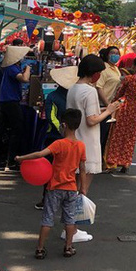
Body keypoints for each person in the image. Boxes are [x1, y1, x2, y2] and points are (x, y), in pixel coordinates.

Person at [14, 109, 86, 260]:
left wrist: (22, 158)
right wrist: (83, 188)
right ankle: (68, 247)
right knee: (70, 219)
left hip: (54, 187)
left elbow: (40, 154)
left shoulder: (59, 144)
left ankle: (40, 249)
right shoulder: (81, 146)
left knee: (48, 218)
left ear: (64, 125)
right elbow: (83, 169)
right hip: (71, 188)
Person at [67, 54, 120, 196]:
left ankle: (71, 210)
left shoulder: (73, 88)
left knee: (74, 182)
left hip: (74, 137)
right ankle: (77, 212)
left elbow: (81, 112)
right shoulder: (89, 91)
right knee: (82, 187)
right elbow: (91, 120)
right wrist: (108, 111)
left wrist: (102, 110)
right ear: (95, 73)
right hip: (87, 140)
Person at [34, 66, 77, 211]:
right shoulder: (75, 95)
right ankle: (65, 200)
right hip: (72, 138)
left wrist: (61, 130)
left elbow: (51, 117)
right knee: (68, 170)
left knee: (50, 169)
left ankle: (46, 199)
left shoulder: (52, 96)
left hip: (53, 137)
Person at [0, 45, 32, 171]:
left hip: (5, 101)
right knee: (16, 129)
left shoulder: (10, 68)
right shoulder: (12, 68)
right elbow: (24, 79)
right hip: (10, 101)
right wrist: (28, 69)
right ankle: (12, 160)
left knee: (0, 129)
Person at [104, 56, 136, 173]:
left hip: (124, 107)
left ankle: (112, 162)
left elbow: (119, 93)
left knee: (117, 135)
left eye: (134, 65)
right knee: (129, 137)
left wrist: (113, 102)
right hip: (135, 109)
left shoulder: (129, 79)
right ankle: (125, 162)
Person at [96, 46, 122, 165]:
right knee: (100, 133)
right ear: (107, 54)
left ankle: (101, 159)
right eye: (112, 53)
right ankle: (96, 160)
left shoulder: (116, 69)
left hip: (110, 105)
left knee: (106, 135)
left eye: (117, 53)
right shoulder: (104, 69)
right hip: (101, 104)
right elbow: (99, 87)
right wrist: (107, 104)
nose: (115, 55)